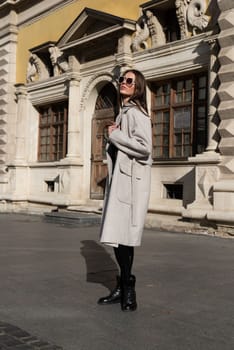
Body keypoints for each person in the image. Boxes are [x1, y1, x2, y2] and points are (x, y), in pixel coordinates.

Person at [98, 69, 152, 312]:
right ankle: (122, 284)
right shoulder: (124, 113)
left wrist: (115, 135)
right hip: (122, 182)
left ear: (138, 86)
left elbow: (144, 148)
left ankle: (128, 288)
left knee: (124, 239)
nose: (124, 83)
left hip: (130, 185)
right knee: (119, 239)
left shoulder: (137, 114)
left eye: (129, 80)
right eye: (122, 79)